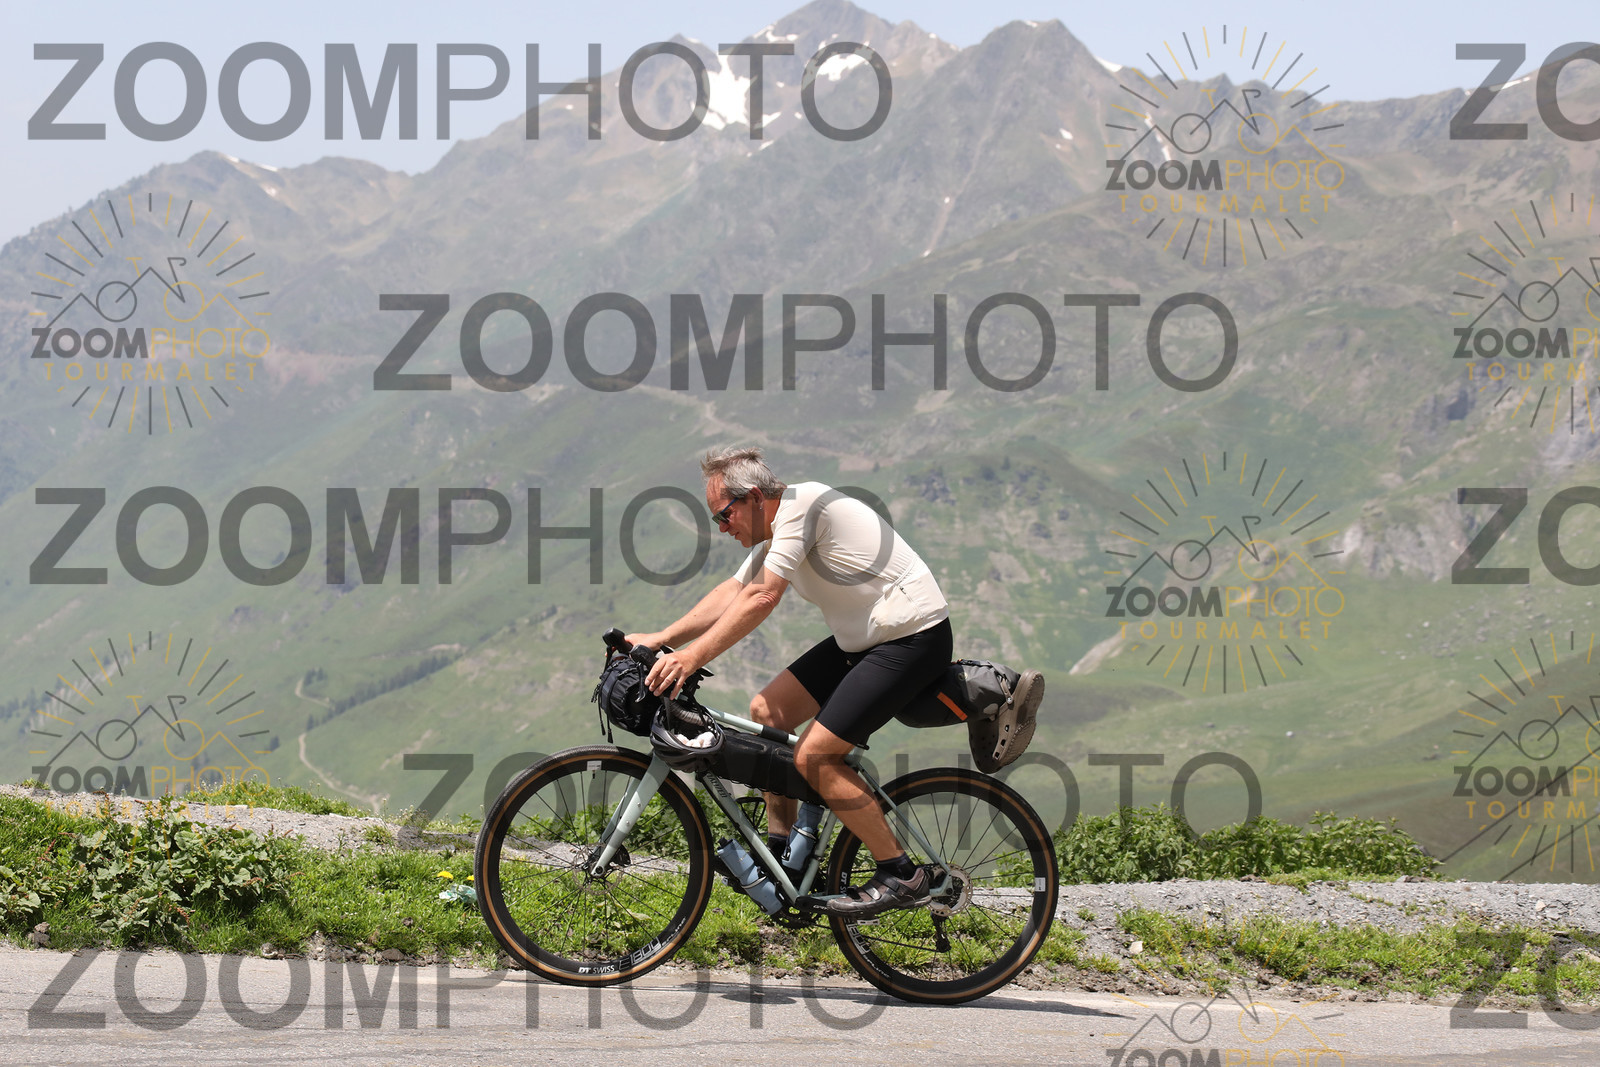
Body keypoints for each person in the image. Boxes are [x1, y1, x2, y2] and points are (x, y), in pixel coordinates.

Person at [626, 446, 963, 916]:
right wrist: (661, 639)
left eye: (724, 515)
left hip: (911, 637)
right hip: (864, 639)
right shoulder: (777, 527)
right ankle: (784, 852)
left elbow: (763, 597)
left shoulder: (804, 507)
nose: (722, 528)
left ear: (755, 498)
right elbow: (734, 591)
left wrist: (691, 657)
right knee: (768, 711)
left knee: (816, 756)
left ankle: (901, 874)